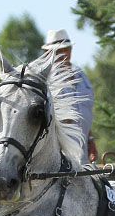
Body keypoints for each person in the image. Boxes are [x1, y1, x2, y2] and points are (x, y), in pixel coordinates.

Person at [42, 29, 98, 163]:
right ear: (48, 53)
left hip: (82, 151)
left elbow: (84, 111)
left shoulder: (81, 76)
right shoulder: (46, 80)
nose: (62, 54)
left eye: (65, 49)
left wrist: (90, 140)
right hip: (57, 154)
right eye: (58, 51)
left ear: (71, 49)